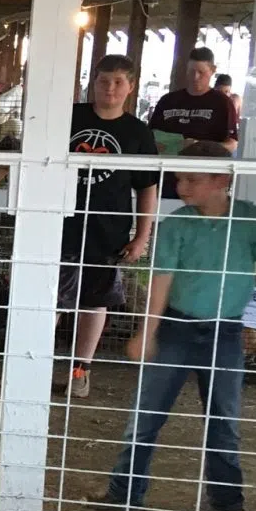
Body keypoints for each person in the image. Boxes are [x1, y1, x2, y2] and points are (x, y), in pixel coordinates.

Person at [95, 141, 256, 511]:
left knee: (224, 421)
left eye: (191, 179)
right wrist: (147, 332)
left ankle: (227, 504)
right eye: (179, 178)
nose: (181, 187)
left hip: (225, 331)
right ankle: (124, 493)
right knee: (146, 415)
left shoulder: (252, 220)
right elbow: (161, 281)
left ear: (221, 180)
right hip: (177, 327)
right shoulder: (177, 223)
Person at [58, 54, 159, 399]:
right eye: (103, 81)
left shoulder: (138, 133)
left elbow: (147, 186)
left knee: (95, 301)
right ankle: (31, 367)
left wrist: (142, 236)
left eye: (118, 82)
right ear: (93, 83)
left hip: (108, 230)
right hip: (59, 222)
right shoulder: (68, 118)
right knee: (50, 298)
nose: (110, 89)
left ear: (130, 87)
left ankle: (80, 369)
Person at [149, 46, 239, 155]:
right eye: (191, 71)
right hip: (167, 163)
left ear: (212, 70)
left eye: (201, 72)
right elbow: (149, 136)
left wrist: (200, 147)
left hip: (203, 164)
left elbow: (232, 144)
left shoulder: (223, 103)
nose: (195, 77)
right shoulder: (167, 101)